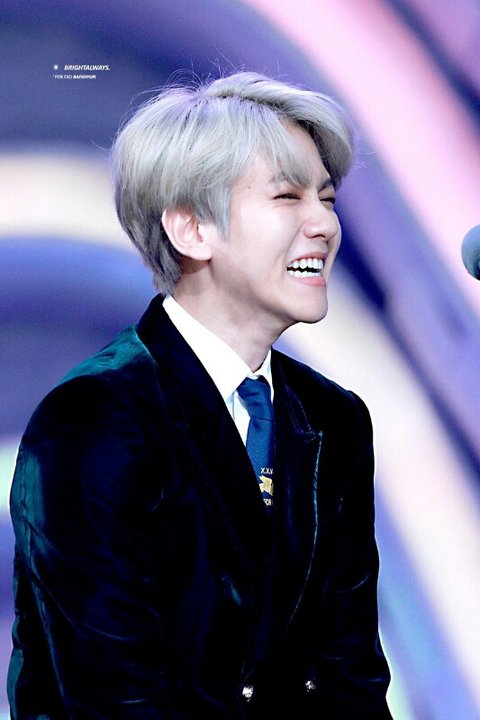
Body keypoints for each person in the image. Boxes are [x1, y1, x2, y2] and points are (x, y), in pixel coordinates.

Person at [7, 71, 393, 719]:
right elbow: (116, 698)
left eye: (326, 199)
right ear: (190, 229)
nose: (324, 224)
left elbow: (351, 677)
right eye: (288, 196)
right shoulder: (93, 420)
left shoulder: (334, 419)